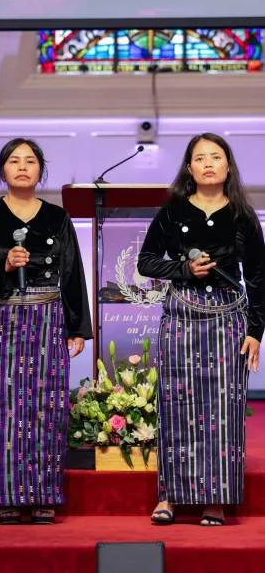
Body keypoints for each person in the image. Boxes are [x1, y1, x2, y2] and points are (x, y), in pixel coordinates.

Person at [0, 138, 92, 524]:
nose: (22, 166)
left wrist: (77, 326)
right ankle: (5, 496)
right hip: (0, 317)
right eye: (14, 161)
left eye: (30, 161)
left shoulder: (57, 217)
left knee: (46, 406)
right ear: (2, 170)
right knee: (0, 405)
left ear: (40, 170)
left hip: (47, 316)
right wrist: (1, 264)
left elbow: (72, 272)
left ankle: (43, 495)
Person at [137, 132, 265, 527]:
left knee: (223, 409)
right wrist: (183, 269)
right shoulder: (173, 211)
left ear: (228, 165)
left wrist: (256, 331)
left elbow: (258, 277)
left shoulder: (243, 215)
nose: (208, 163)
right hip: (182, 317)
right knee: (175, 405)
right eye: (200, 158)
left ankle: (216, 499)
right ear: (189, 168)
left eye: (216, 156)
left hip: (229, 319)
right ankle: (170, 496)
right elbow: (146, 261)